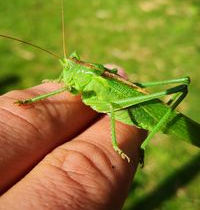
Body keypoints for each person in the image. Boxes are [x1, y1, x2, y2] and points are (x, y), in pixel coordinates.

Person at [0, 68, 146, 209]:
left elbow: (108, 105)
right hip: (118, 97)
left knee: (111, 104)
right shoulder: (86, 75)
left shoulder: (90, 77)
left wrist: (115, 146)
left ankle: (117, 143)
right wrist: (59, 79)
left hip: (123, 106)